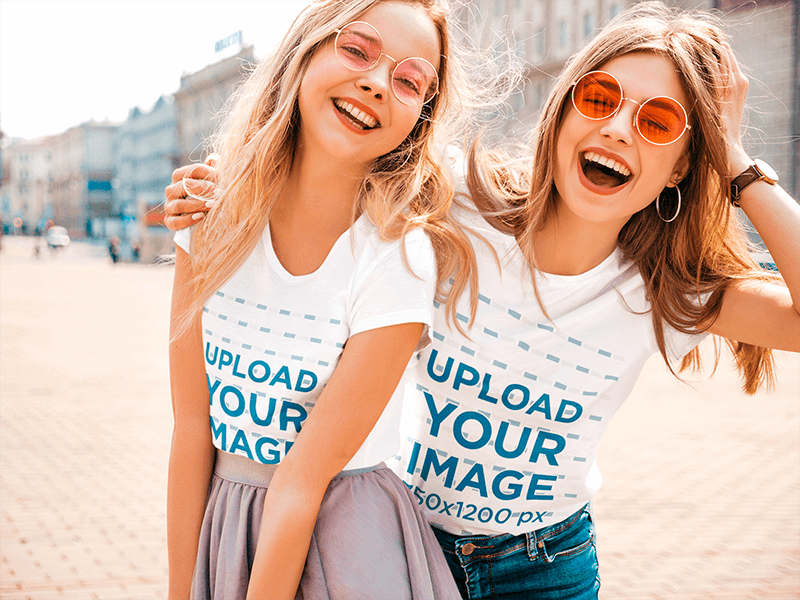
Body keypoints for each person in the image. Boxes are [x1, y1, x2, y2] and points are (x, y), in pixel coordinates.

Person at [165, 2, 800, 598]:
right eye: (599, 97)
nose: (616, 128)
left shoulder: (668, 289)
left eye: (657, 121)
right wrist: (222, 182)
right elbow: (346, 151)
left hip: (546, 569)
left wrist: (736, 162)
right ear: (563, 108)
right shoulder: (459, 203)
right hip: (402, 541)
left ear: (684, 165)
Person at [164, 0, 516, 598]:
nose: (377, 83)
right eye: (357, 50)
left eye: (409, 82)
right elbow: (192, 428)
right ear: (305, 52)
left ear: (419, 118)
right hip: (227, 526)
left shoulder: (397, 257)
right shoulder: (210, 215)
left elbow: (303, 477)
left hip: (346, 540)